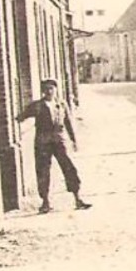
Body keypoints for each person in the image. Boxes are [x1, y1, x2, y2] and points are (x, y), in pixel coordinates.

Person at [16, 79, 91, 214]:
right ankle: (45, 202)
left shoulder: (61, 105)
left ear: (55, 90)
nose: (49, 91)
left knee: (69, 168)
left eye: (51, 88)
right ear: (43, 91)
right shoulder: (37, 106)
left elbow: (68, 123)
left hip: (59, 141)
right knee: (43, 171)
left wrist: (74, 140)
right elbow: (20, 117)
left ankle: (77, 198)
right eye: (46, 89)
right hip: (43, 142)